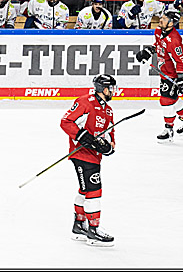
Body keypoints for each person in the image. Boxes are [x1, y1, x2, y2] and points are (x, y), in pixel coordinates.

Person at [60, 74, 117, 246]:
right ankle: (93, 229)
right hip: (81, 154)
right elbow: (66, 122)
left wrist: (108, 147)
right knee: (94, 189)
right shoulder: (85, 101)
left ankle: (79, 225)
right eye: (112, 88)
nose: (114, 91)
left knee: (85, 189)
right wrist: (82, 136)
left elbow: (111, 135)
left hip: (95, 157)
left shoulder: (108, 110)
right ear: (104, 89)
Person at [136, 6, 183, 141]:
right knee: (172, 99)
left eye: (164, 18)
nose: (161, 20)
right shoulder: (158, 31)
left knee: (166, 101)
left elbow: (181, 62)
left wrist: (181, 79)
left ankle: (169, 129)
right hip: (164, 72)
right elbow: (158, 45)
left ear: (171, 23)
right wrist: (149, 51)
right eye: (162, 17)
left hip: (172, 75)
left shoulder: (175, 40)